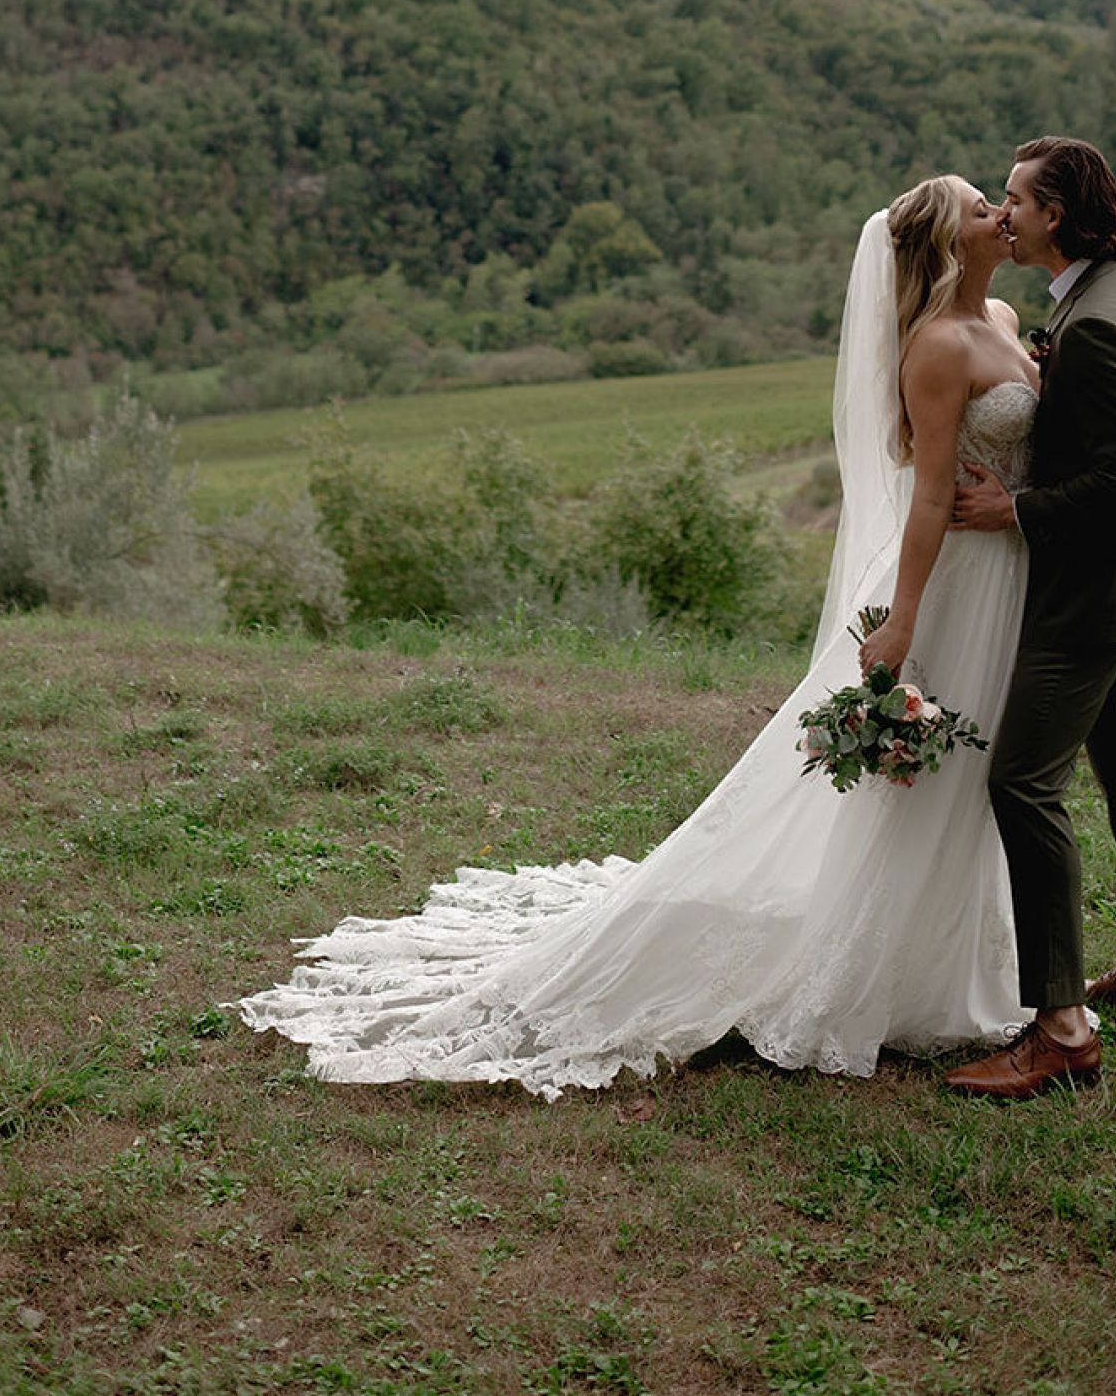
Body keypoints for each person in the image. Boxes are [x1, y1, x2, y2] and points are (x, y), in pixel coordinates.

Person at [236, 176, 1037, 1095]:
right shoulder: (936, 346)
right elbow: (930, 493)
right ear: (946, 244)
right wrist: (901, 617)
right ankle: (884, 975)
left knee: (980, 777)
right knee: (930, 777)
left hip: (1006, 578)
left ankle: (953, 965)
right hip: (948, 583)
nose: (1000, 215)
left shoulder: (1008, 316)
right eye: (983, 206)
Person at [945, 136, 1116, 1100]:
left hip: (1087, 596)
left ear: (1056, 215)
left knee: (1021, 783)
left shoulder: (1097, 321)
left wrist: (1017, 508)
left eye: (1015, 199)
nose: (1004, 212)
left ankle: (1059, 1028)